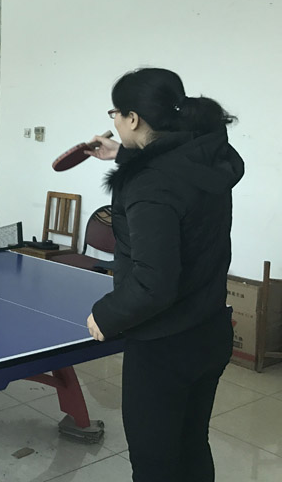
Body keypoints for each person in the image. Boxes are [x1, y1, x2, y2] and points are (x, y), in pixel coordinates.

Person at [84, 68, 243, 481]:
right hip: (210, 332)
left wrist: (106, 313)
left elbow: (154, 283)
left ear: (133, 118)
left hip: (164, 346)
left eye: (116, 113)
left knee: (154, 462)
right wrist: (123, 154)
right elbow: (173, 176)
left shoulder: (151, 185)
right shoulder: (207, 158)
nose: (114, 121)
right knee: (191, 445)